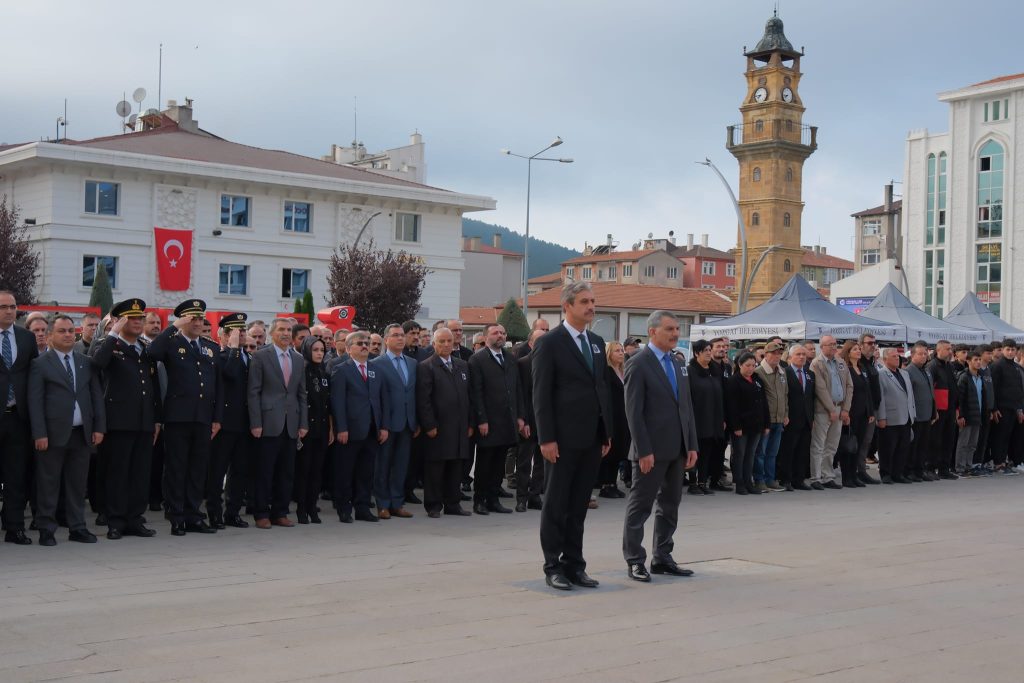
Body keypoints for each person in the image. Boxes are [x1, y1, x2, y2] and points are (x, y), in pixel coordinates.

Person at [532, 282, 612, 591]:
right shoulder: (550, 343)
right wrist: (546, 438)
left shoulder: (595, 341)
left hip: (591, 437)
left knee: (579, 505)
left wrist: (605, 432)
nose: (591, 307)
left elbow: (601, 388)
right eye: (584, 302)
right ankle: (553, 565)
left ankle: (575, 564)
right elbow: (541, 395)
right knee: (556, 504)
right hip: (561, 440)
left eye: (593, 301)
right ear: (567, 306)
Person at [622, 311, 699, 582]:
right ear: (653, 332)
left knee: (670, 505)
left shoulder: (678, 363)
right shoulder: (638, 363)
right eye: (670, 329)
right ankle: (634, 560)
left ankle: (663, 557)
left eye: (677, 329)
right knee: (640, 506)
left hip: (677, 448)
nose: (676, 334)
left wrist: (691, 444)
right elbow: (634, 412)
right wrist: (643, 450)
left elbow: (685, 407)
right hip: (650, 451)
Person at [28, 314, 105, 545]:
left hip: (81, 434)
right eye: (62, 331)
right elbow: (35, 401)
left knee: (77, 485)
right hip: (51, 435)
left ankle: (77, 527)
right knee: (49, 484)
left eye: (71, 331)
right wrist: (39, 433)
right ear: (50, 336)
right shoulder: (40, 364)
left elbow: (95, 397)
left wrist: (99, 427)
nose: (68, 335)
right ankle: (46, 528)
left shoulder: (85, 362)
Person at [146, 299, 221, 536]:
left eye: (201, 318)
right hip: (178, 416)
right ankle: (176, 515)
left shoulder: (210, 347)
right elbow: (152, 352)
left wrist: (216, 417)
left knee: (198, 468)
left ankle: (193, 515)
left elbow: (216, 385)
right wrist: (173, 326)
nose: (199, 322)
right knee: (177, 468)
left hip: (203, 417)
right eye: (193, 318)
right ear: (184, 320)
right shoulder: (171, 343)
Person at [91, 299, 160, 539]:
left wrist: (157, 419)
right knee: (118, 473)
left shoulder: (145, 348)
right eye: (132, 318)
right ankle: (115, 520)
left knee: (140, 473)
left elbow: (154, 386)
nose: (138, 322)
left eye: (141, 318)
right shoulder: (109, 344)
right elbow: (97, 364)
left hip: (143, 421)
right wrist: (113, 333)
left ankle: (134, 518)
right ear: (120, 321)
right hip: (118, 421)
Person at [248, 317, 308, 529]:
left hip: (291, 423)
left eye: (288, 330)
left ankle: (280, 512)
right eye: (281, 329)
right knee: (265, 471)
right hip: (268, 422)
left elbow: (301, 394)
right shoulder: (261, 356)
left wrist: (303, 423)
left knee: (286, 471)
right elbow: (253, 392)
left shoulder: (298, 359)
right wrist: (256, 422)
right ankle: (261, 513)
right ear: (272, 333)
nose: (285, 333)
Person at [330, 331, 389, 523]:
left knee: (366, 472)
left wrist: (383, 427)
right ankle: (344, 508)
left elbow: (382, 401)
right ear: (348, 349)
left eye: (366, 342)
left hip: (372, 430)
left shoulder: (375, 369)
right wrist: (342, 428)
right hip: (350, 431)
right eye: (359, 343)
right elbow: (337, 402)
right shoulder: (341, 370)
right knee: (345, 472)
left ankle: (363, 508)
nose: (365, 346)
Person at [417, 328, 474, 518]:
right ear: (434, 344)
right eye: (441, 341)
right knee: (435, 468)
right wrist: (429, 425)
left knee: (455, 467)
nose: (446, 344)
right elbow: (423, 400)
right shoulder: (426, 366)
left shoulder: (462, 365)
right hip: (438, 427)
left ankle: (453, 503)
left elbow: (469, 397)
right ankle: (433, 505)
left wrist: (470, 423)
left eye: (449, 341)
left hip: (459, 427)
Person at [469, 323, 525, 515]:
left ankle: (493, 499)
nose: (500, 336)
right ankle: (479, 501)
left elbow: (517, 388)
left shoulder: (510, 358)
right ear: (486, 337)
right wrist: (481, 420)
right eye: (495, 333)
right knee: (485, 464)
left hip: (506, 420)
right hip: (488, 421)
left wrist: (520, 416)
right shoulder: (477, 360)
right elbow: (476, 393)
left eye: (502, 332)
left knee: (499, 464)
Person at [0, 291, 40, 544]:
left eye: (12, 307)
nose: (8, 311)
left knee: (16, 475)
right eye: (3, 307)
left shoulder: (26, 338)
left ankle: (15, 528)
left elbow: (34, 376)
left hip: (18, 418)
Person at [206, 313, 252, 529]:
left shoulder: (249, 357)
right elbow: (231, 375)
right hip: (224, 423)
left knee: (241, 471)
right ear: (223, 336)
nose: (241, 335)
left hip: (245, 424)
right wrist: (233, 348)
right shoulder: (220, 356)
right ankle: (214, 513)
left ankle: (232, 513)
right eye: (235, 332)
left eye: (243, 331)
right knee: (218, 471)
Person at [371, 323, 419, 519]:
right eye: (395, 335)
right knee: (383, 465)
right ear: (386, 340)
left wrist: (417, 422)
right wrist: (381, 425)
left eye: (402, 335)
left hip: (408, 423)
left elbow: (414, 394)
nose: (400, 338)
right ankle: (382, 504)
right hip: (387, 424)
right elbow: (376, 397)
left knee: (401, 465)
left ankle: (397, 503)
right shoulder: (377, 363)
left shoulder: (412, 363)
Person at [295, 336, 332, 524]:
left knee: (317, 471)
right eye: (315, 350)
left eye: (322, 350)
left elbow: (328, 404)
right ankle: (301, 509)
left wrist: (331, 429)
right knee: (304, 470)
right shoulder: (301, 370)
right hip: (306, 428)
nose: (319, 353)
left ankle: (312, 507)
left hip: (322, 428)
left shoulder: (324, 372)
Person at [809, 335, 851, 490]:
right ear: (822, 347)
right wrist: (831, 409)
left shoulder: (840, 362)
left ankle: (828, 476)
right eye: (830, 344)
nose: (834, 347)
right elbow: (820, 388)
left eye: (835, 344)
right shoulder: (817, 363)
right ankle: (816, 477)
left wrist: (845, 408)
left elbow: (849, 386)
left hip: (839, 408)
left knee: (832, 445)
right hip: (823, 410)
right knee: (819, 445)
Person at [725, 352, 770, 495]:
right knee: (740, 454)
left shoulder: (757, 380)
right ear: (740, 365)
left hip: (756, 424)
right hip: (741, 426)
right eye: (747, 365)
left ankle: (748, 482)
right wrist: (736, 426)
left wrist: (766, 424)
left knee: (751, 454)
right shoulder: (734, 381)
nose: (751, 368)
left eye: (753, 365)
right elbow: (732, 406)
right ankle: (739, 483)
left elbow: (764, 403)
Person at [686, 340, 724, 495]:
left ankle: (703, 481)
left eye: (709, 349)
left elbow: (721, 395)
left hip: (713, 418)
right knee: (695, 450)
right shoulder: (690, 371)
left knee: (707, 450)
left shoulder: (714, 370)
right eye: (705, 350)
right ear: (696, 353)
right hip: (697, 417)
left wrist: (722, 418)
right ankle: (693, 482)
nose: (709, 352)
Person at [515, 329, 546, 511]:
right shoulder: (523, 364)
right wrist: (523, 420)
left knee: (542, 462)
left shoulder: (552, 363)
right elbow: (521, 394)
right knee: (524, 461)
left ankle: (535, 495)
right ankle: (521, 498)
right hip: (528, 420)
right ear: (531, 343)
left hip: (546, 422)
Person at [876, 347, 917, 484]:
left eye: (897, 356)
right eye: (893, 356)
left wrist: (913, 413)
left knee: (903, 447)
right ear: (885, 359)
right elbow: (880, 397)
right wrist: (881, 417)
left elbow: (910, 395)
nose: (897, 358)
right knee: (888, 448)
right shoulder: (881, 374)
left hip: (905, 416)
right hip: (890, 417)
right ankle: (886, 473)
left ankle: (898, 473)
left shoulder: (904, 373)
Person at [753, 341, 788, 493]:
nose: (777, 356)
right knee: (761, 452)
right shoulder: (759, 372)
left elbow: (785, 395)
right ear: (766, 354)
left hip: (779, 418)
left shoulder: (782, 372)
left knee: (773, 453)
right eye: (773, 353)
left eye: (779, 353)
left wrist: (786, 414)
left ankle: (770, 479)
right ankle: (759, 480)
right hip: (766, 420)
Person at [778, 344, 815, 490]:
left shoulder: (809, 374)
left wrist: (812, 418)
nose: (801, 357)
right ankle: (785, 479)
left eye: (803, 355)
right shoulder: (785, 373)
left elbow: (811, 397)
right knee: (788, 450)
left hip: (806, 419)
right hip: (791, 418)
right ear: (790, 357)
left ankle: (799, 479)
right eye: (798, 354)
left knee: (802, 451)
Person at [839, 341, 872, 488]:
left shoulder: (862, 368)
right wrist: (845, 412)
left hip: (863, 413)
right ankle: (847, 477)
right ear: (848, 352)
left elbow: (868, 391)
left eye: (859, 349)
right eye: (855, 349)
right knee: (848, 445)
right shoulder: (846, 369)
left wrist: (870, 411)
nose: (858, 351)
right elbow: (845, 392)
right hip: (851, 412)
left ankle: (854, 475)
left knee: (858, 446)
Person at [598, 341, 629, 499]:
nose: (621, 353)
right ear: (609, 353)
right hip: (613, 415)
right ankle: (605, 485)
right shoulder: (608, 372)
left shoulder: (623, 371)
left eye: (622, 350)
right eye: (617, 351)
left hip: (623, 416)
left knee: (620, 450)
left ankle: (613, 483)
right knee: (610, 450)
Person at [926, 340, 960, 480]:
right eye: (947, 349)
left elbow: (954, 388)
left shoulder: (949, 366)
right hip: (939, 410)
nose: (950, 351)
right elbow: (930, 390)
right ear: (938, 350)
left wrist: (957, 408)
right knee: (935, 440)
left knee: (948, 440)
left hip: (950, 408)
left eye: (951, 349)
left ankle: (944, 468)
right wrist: (934, 410)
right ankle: (930, 468)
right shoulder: (932, 366)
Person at [990, 339, 1024, 474]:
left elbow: (1018, 389)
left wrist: (1019, 409)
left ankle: (1004, 461)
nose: (1010, 352)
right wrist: (994, 408)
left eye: (1012, 350)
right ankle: (998, 463)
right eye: (1008, 350)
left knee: (1009, 436)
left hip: (1013, 407)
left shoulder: (1016, 367)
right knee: (1000, 436)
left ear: (1016, 351)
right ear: (1003, 350)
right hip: (1001, 408)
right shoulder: (997, 366)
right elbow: (993, 389)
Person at [905, 341, 937, 482]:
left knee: (924, 445)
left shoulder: (926, 370)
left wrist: (934, 411)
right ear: (912, 355)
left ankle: (920, 469)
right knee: (914, 445)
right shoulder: (909, 371)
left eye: (926, 354)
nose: (924, 356)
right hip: (916, 415)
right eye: (920, 354)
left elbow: (931, 393)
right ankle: (910, 470)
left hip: (927, 414)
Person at [955, 350, 990, 475]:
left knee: (972, 444)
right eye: (975, 360)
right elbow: (960, 398)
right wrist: (961, 415)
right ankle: (960, 468)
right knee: (963, 443)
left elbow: (983, 398)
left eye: (979, 359)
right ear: (968, 361)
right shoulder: (964, 377)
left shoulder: (980, 377)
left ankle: (969, 466)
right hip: (967, 416)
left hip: (978, 415)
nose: (978, 362)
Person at [856, 334, 882, 482]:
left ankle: (861, 469)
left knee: (866, 441)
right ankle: (857, 470)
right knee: (860, 440)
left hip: (873, 409)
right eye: (869, 343)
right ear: (861, 345)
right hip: (862, 409)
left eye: (874, 343)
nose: (873, 345)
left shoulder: (871, 363)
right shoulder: (858, 363)